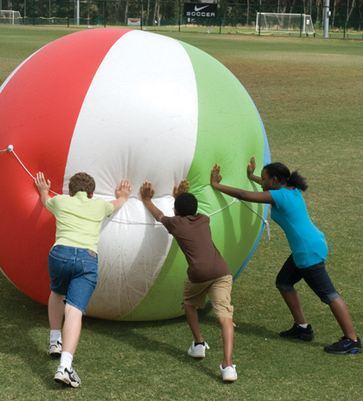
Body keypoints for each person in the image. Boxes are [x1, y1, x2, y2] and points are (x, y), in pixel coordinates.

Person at [210, 157, 361, 355]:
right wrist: (251, 176)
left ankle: (352, 340)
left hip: (308, 252)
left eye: (263, 179)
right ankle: (302, 328)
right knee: (283, 282)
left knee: (329, 295)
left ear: (274, 180)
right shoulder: (291, 190)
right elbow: (267, 187)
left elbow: (241, 194)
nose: (261, 182)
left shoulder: (278, 196)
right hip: (309, 246)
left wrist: (216, 184)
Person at [35, 171, 131, 387]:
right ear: (91, 193)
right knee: (74, 310)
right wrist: (123, 196)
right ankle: (65, 366)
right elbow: (116, 204)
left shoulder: (60, 201)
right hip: (87, 260)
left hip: (59, 254)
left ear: (70, 191)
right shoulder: (98, 205)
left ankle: (53, 341)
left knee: (57, 291)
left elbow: (45, 200)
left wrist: (42, 190)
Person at [140, 179, 237, 382]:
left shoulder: (175, 223)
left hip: (198, 275)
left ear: (176, 211)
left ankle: (199, 343)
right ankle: (228, 366)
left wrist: (146, 199)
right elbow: (187, 213)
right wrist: (180, 198)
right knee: (225, 318)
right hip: (221, 272)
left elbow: (158, 216)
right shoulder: (203, 219)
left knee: (189, 303)